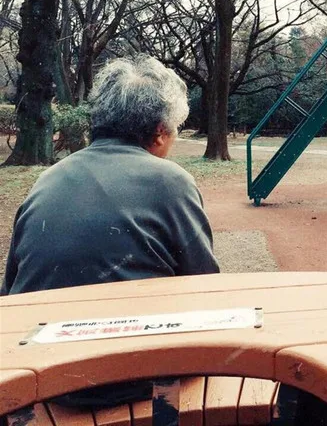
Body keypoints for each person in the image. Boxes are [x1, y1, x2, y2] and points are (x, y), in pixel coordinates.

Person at [1, 55, 219, 406]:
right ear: (161, 133)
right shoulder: (171, 181)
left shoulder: (46, 180)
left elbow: (10, 290)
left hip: (40, 377)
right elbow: (205, 285)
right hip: (128, 380)